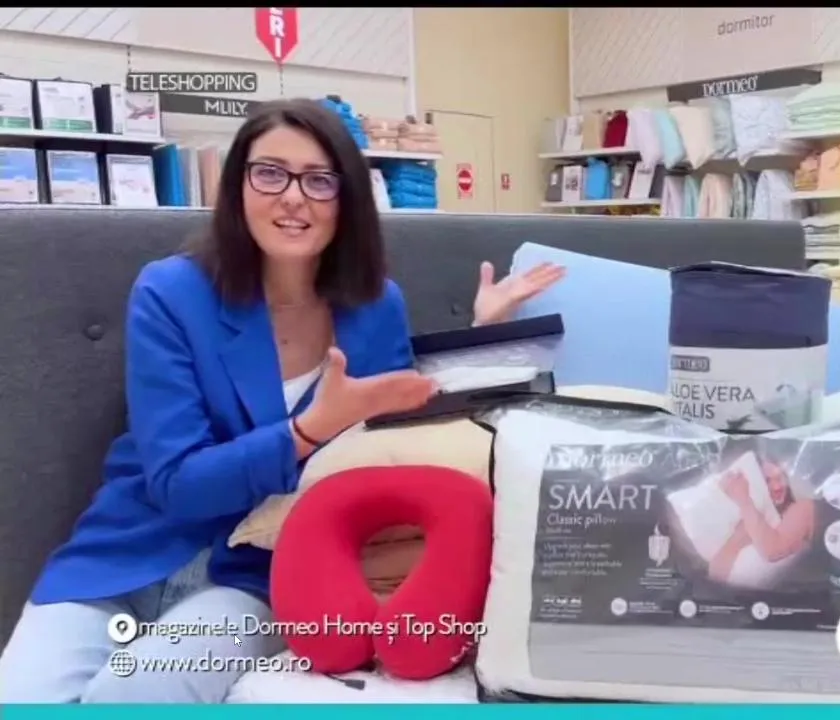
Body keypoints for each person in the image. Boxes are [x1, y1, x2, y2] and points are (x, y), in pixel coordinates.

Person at [0, 98, 563, 704]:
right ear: (238, 184)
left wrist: (482, 337)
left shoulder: (376, 307)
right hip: (126, 554)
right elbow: (177, 484)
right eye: (270, 173)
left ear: (346, 198)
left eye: (319, 180)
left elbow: (398, 437)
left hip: (258, 576)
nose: (293, 197)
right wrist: (309, 430)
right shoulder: (171, 292)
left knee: (132, 696)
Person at [708, 457, 815, 584]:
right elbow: (715, 575)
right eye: (767, 481)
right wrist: (737, 539)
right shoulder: (747, 521)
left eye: (779, 478)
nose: (776, 487)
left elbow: (774, 551)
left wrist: (743, 500)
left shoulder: (802, 510)